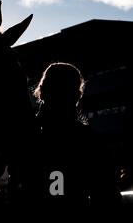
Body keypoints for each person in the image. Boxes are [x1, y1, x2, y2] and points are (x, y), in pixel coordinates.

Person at [30, 62, 121, 207]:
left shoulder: (26, 138)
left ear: (42, 91)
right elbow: (107, 195)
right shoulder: (90, 141)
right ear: (77, 95)